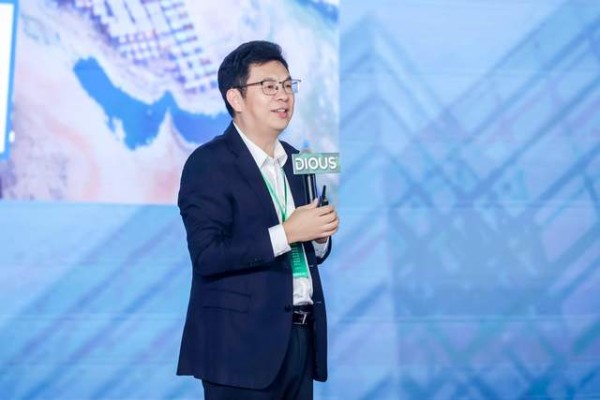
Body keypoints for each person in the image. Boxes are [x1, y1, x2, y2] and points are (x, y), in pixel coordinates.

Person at [176, 40, 339, 400]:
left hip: (300, 338)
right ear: (235, 98)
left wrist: (319, 235)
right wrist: (287, 233)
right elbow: (207, 255)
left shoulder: (297, 160)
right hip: (240, 349)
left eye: (287, 85)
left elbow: (311, 250)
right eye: (269, 86)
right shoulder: (209, 163)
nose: (283, 96)